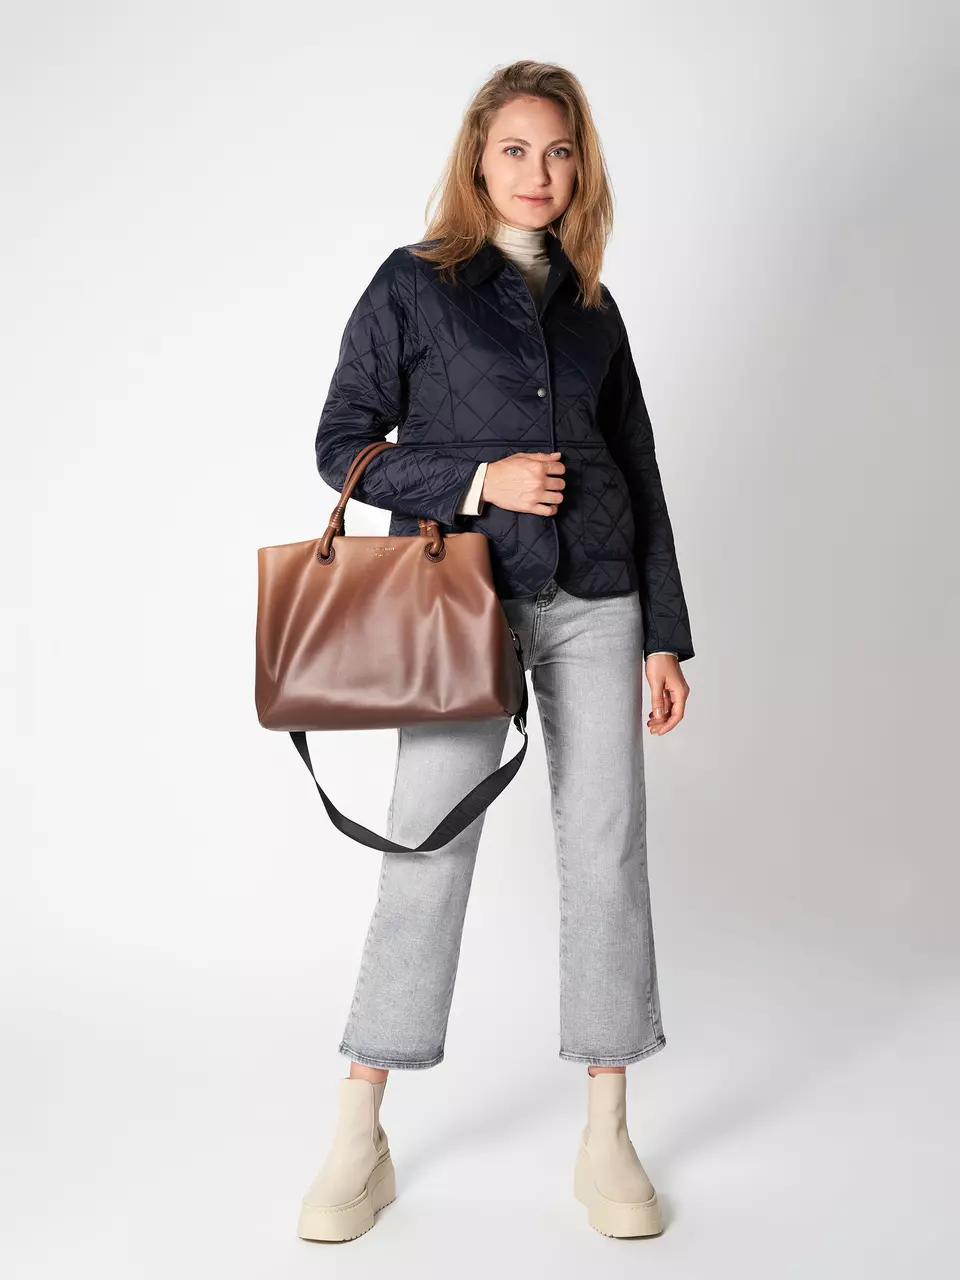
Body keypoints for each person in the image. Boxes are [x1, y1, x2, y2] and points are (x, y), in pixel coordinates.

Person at [297, 59, 694, 1243]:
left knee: (608, 847)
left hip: (597, 594)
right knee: (427, 843)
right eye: (516, 148)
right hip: (455, 592)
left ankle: (607, 1130)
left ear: (581, 168)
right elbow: (342, 444)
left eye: (559, 151)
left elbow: (640, 467)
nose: (538, 171)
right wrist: (480, 478)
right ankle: (359, 1134)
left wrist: (665, 635)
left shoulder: (594, 307)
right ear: (479, 157)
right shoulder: (413, 284)